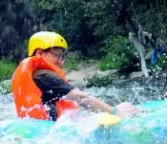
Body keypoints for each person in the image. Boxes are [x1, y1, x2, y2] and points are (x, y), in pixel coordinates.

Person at [12, 31, 140, 121]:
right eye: (57, 55)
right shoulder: (44, 76)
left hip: (38, 126)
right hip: (48, 129)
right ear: (40, 52)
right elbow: (80, 97)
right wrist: (115, 112)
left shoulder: (35, 74)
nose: (61, 61)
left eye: (62, 57)